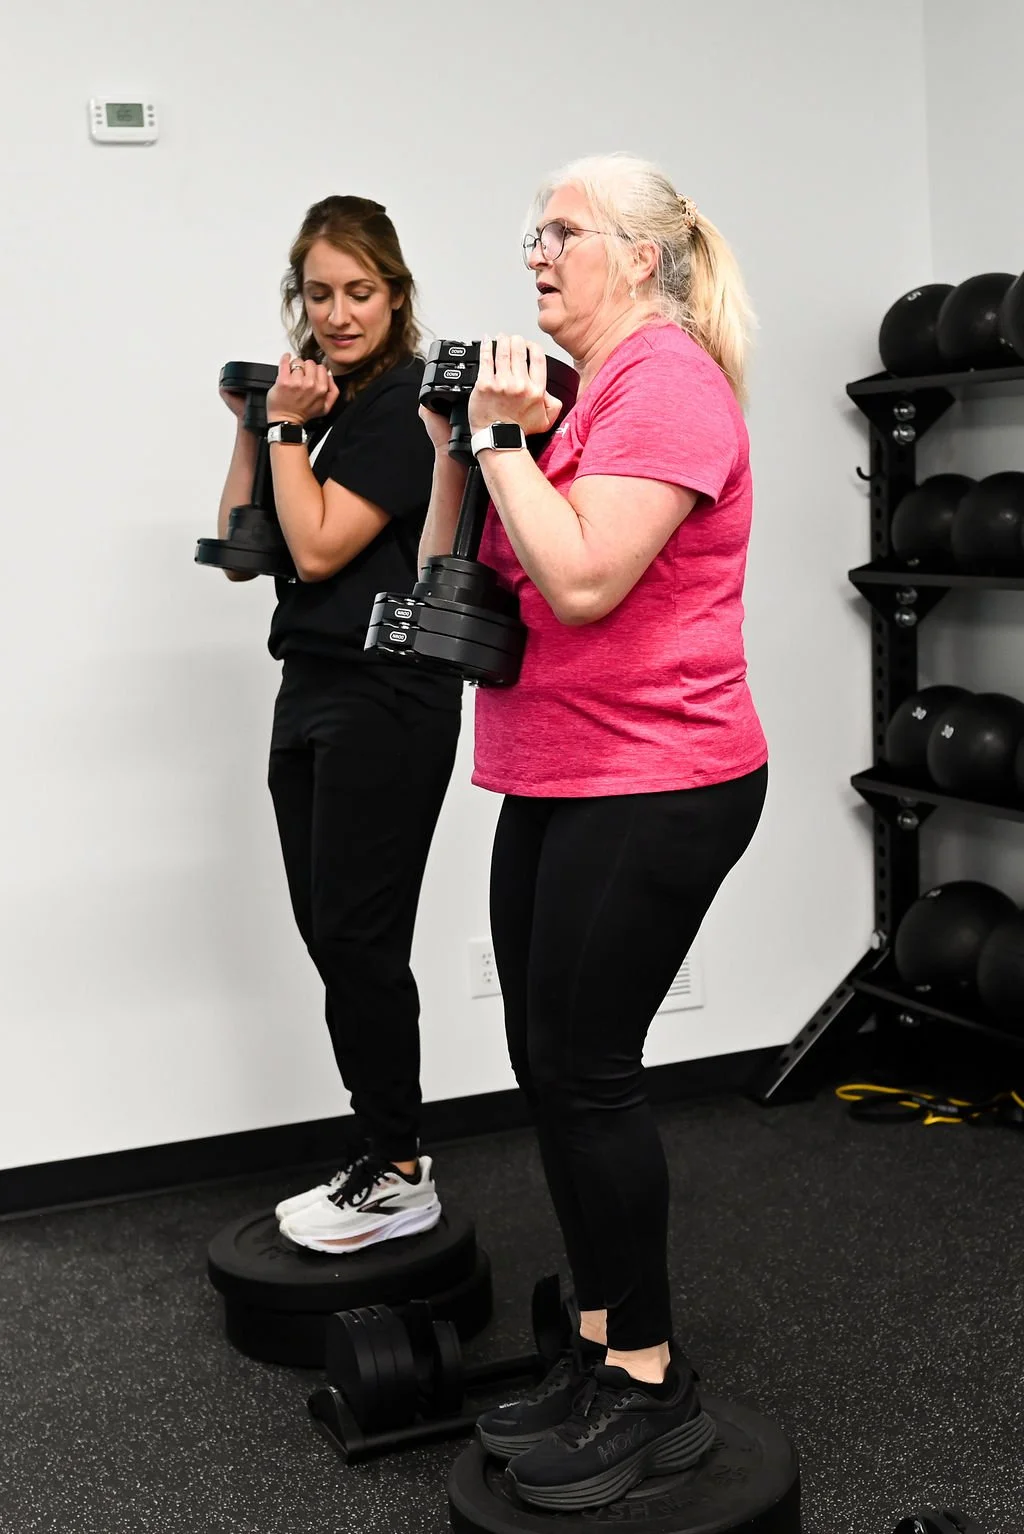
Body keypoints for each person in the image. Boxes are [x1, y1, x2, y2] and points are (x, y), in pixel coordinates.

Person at [419, 154, 768, 1508]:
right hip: (561, 774)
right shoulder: (575, 400)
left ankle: (648, 1382)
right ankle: (597, 1345)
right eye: (534, 233)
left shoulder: (665, 377)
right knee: (549, 1067)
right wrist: (467, 443)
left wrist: (508, 442)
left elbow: (580, 577)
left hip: (660, 777)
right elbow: (454, 582)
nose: (536, 255)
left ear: (644, 254)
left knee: (593, 1071)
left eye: (562, 232)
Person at [215, 195, 462, 1254]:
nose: (339, 311)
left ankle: (401, 1163)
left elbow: (317, 552)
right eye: (319, 293)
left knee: (360, 936)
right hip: (308, 685)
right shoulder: (333, 400)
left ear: (395, 295)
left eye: (360, 291)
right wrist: (253, 423)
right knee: (332, 933)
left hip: (386, 692)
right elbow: (246, 549)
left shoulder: (404, 405)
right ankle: (385, 1149)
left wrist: (284, 427)